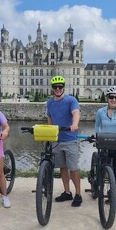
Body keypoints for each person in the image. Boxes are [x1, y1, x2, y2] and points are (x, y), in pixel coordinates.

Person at [47, 75, 82, 207]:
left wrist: (75, 124)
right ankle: (67, 192)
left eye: (60, 86)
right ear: (52, 88)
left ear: (63, 88)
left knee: (73, 168)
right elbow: (49, 117)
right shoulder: (50, 103)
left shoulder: (70, 100)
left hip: (69, 139)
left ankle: (78, 194)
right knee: (62, 167)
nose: (57, 89)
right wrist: (49, 131)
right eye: (55, 87)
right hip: (57, 140)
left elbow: (76, 113)